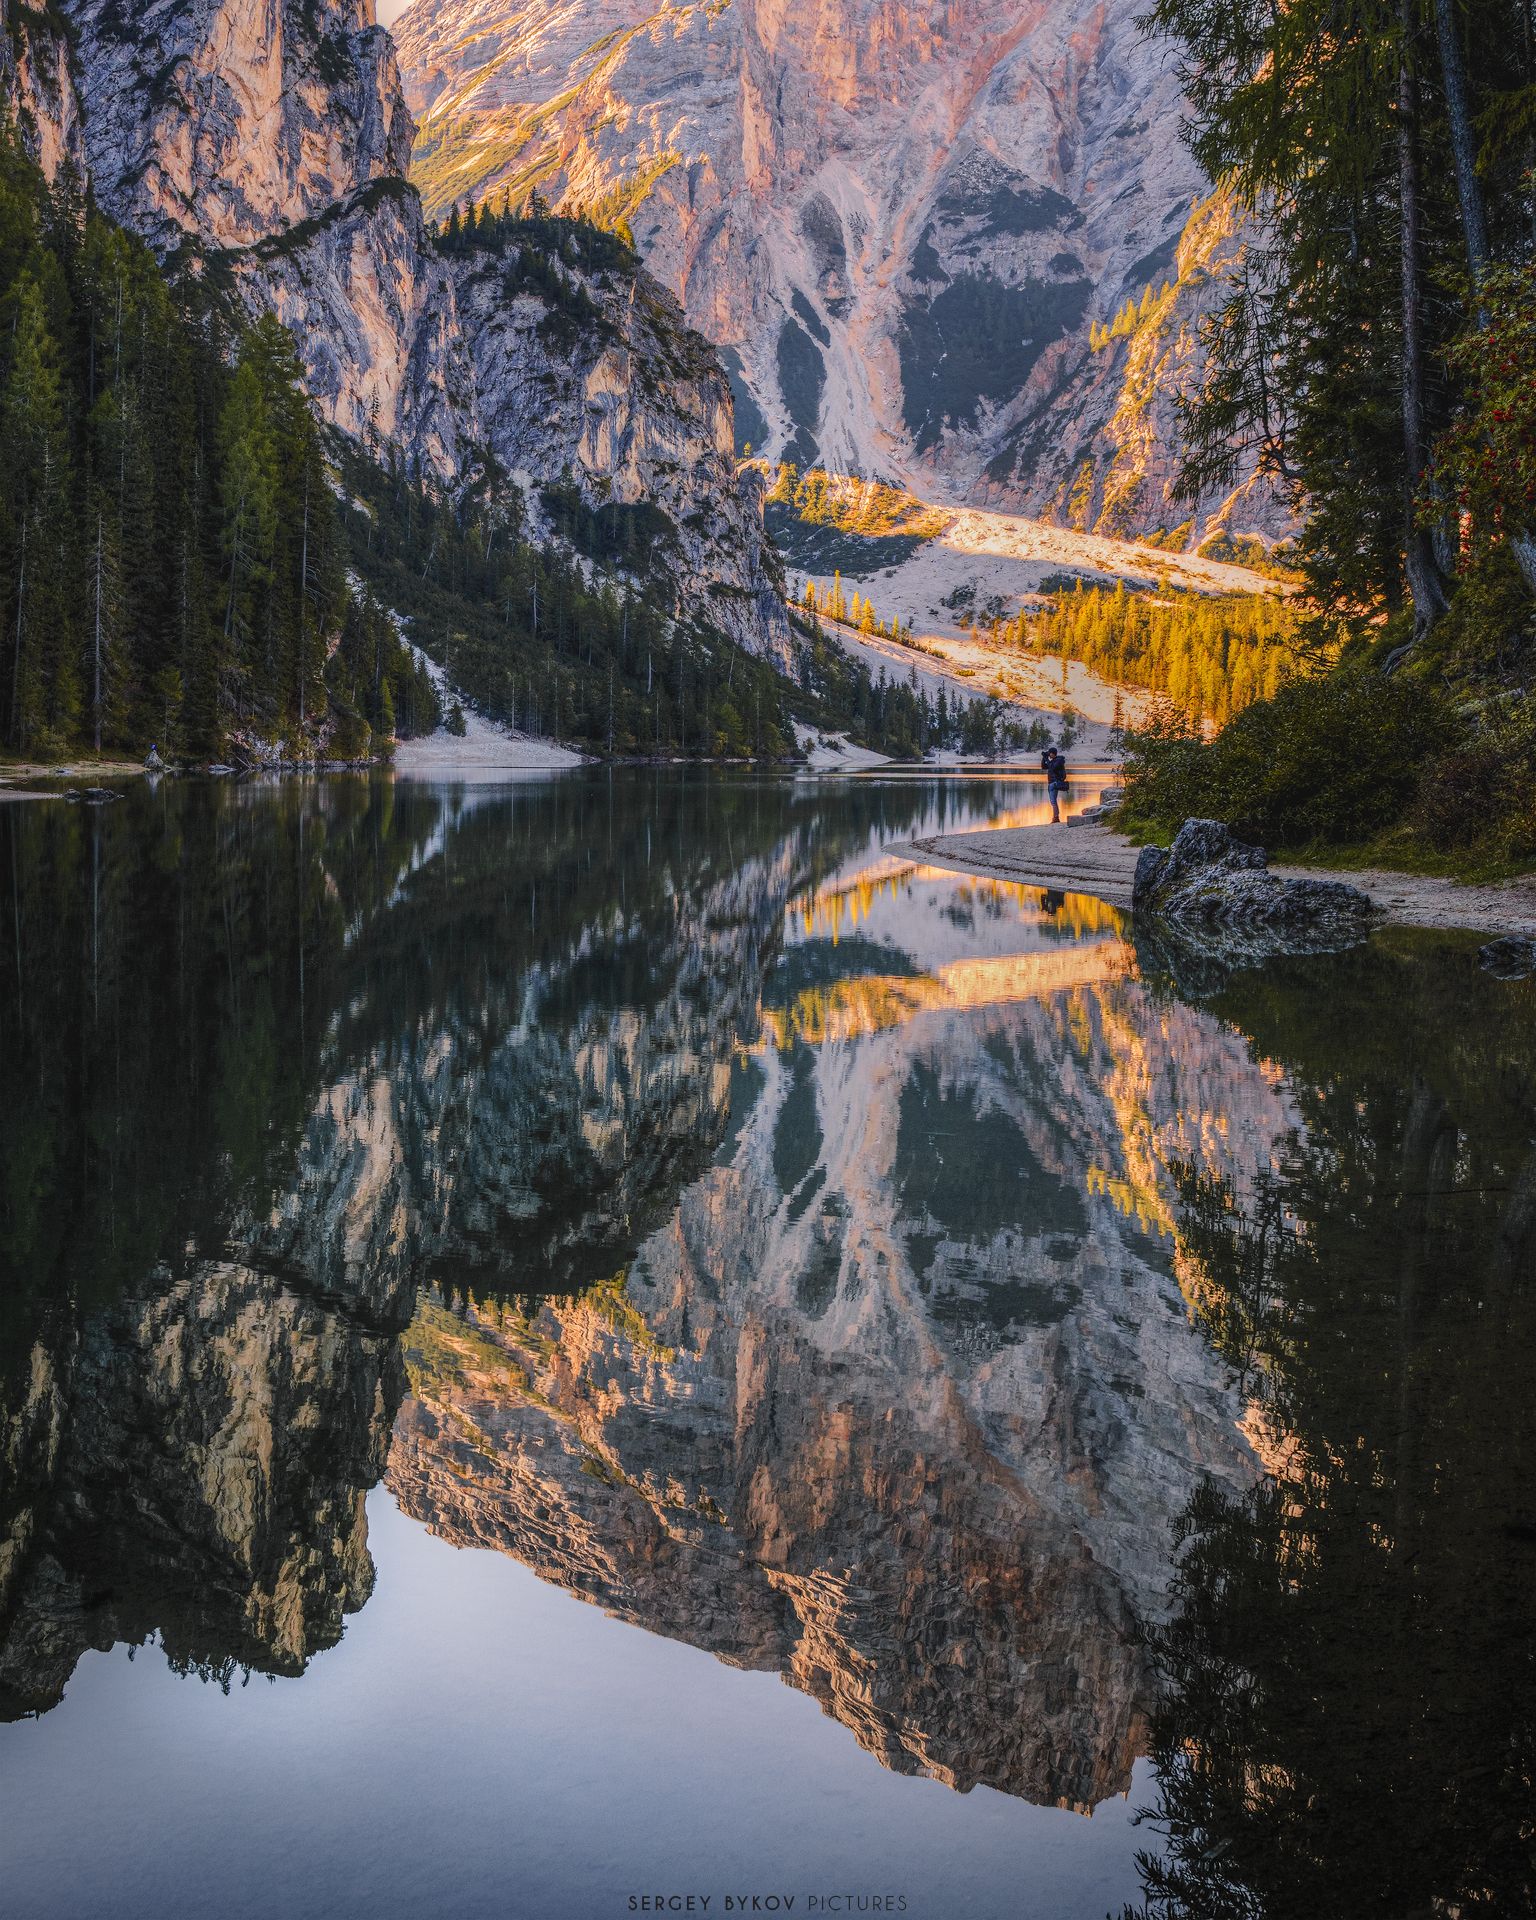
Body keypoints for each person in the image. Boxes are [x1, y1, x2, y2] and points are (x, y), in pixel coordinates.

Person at [1045, 745, 1069, 823]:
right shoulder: (1053, 761)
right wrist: (1044, 758)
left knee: (1053, 801)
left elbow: (1052, 767)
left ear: (1053, 753)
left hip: (1054, 783)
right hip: (1051, 783)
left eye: (1050, 753)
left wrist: (1046, 759)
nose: (1049, 755)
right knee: (1053, 801)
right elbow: (1043, 766)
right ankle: (1056, 817)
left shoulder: (1058, 761)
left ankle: (1056, 818)